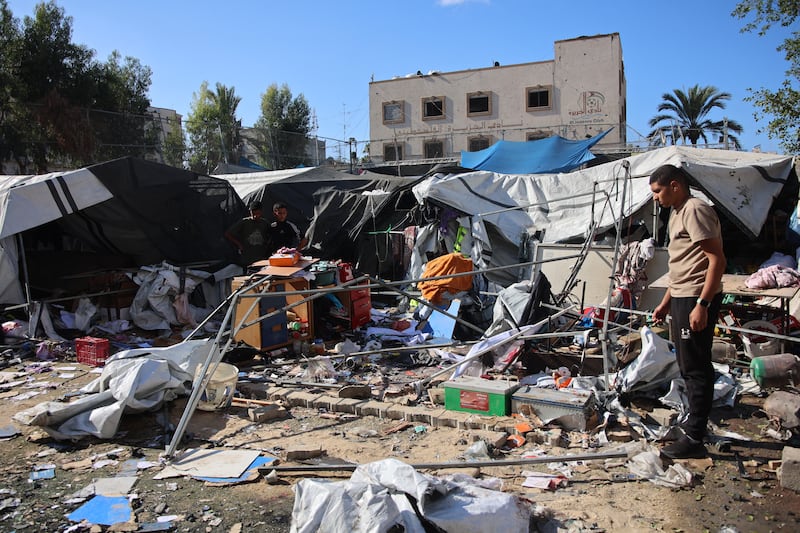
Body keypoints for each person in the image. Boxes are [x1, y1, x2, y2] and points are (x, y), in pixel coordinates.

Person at [650, 164, 726, 459]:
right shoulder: (676, 212)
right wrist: (667, 300)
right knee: (686, 363)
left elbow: (716, 259)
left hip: (696, 297)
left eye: (658, 191)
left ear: (675, 186)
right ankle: (693, 426)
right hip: (682, 296)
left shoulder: (695, 209)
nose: (655, 198)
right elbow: (683, 262)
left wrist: (702, 305)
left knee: (695, 366)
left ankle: (694, 437)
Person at [225, 200, 273, 267]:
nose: (255, 216)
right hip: (247, 257)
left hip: (261, 257)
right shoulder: (244, 222)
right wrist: (239, 245)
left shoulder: (265, 223)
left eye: (258, 214)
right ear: (250, 212)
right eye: (253, 214)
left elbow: (271, 235)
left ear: (261, 212)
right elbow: (228, 234)